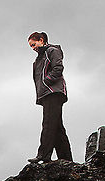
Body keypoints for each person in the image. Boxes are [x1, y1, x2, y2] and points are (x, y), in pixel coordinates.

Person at [28, 31, 72, 164]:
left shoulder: (52, 51)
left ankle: (43, 155)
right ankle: (66, 159)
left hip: (53, 92)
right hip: (46, 94)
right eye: (30, 46)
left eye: (33, 44)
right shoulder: (38, 59)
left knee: (48, 124)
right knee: (57, 127)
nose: (33, 48)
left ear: (42, 40)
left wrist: (47, 82)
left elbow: (58, 68)